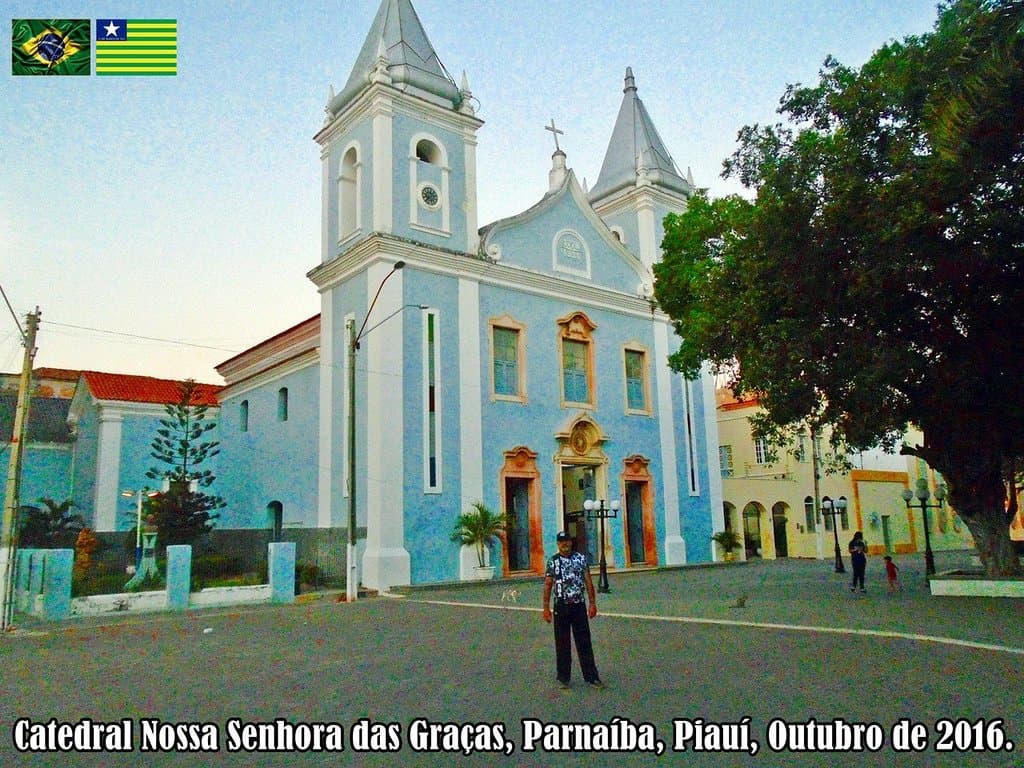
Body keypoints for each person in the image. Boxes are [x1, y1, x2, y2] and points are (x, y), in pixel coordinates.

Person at [542, 530, 605, 690]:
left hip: (578, 604)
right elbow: (548, 584)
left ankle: (591, 676)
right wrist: (545, 608)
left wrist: (592, 603)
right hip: (561, 606)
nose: (564, 544)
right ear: (557, 544)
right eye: (561, 541)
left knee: (584, 641)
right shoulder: (553, 562)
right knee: (562, 643)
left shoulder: (580, 559)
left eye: (567, 541)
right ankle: (564, 677)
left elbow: (588, 581)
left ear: (571, 542)